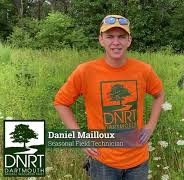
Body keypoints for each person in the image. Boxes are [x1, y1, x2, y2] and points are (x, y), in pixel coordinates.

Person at [54, 14, 165, 180]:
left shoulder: (143, 70)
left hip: (138, 161)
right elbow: (61, 103)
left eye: (121, 37)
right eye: (110, 36)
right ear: (101, 40)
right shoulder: (85, 71)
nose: (116, 42)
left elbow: (159, 94)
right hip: (103, 162)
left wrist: (150, 125)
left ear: (129, 40)